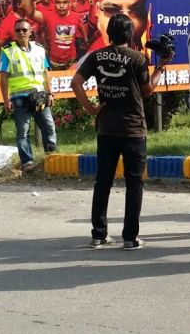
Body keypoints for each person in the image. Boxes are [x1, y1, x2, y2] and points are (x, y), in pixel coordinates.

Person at [72, 13, 172, 250]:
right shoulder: (137, 58)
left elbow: (76, 82)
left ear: (109, 34)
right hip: (133, 129)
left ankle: (98, 234)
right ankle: (130, 237)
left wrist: (91, 109)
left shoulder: (96, 56)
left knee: (103, 181)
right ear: (130, 34)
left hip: (107, 128)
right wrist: (160, 67)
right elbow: (147, 90)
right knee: (134, 183)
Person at [0, 19, 57, 172]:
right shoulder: (7, 51)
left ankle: (52, 158)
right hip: (19, 97)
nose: (21, 33)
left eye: (24, 30)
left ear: (31, 31)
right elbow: (3, 77)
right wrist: (6, 99)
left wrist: (50, 93)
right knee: (23, 132)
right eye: (17, 30)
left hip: (39, 95)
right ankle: (27, 163)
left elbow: (45, 72)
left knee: (49, 127)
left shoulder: (39, 49)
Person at [19, 0, 87, 70]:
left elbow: (81, 27)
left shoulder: (75, 17)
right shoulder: (48, 16)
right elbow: (30, 13)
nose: (61, 6)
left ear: (69, 2)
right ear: (54, 2)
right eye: (58, 2)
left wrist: (86, 39)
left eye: (65, 2)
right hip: (54, 63)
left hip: (71, 62)